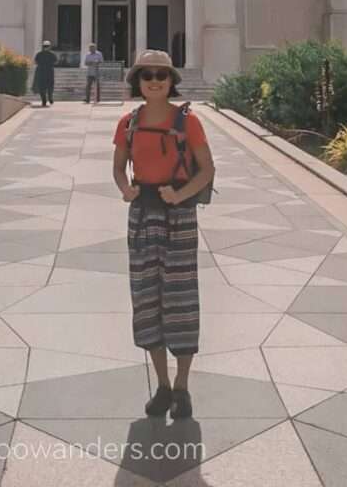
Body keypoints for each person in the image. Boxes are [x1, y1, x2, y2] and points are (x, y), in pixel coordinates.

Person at [112, 49, 215, 420]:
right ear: (136, 81)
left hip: (178, 216)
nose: (154, 80)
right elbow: (119, 168)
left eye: (161, 74)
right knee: (147, 299)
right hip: (143, 215)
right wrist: (125, 189)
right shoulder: (128, 122)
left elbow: (206, 170)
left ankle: (183, 386)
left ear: (172, 80)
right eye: (146, 74)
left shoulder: (188, 121)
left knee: (181, 299)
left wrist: (181, 195)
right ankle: (163, 386)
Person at [32, 40, 56, 107]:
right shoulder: (52, 54)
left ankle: (44, 101)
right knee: (50, 87)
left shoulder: (39, 54)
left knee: (42, 88)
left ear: (43, 46)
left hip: (41, 73)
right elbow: (55, 61)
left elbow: (36, 62)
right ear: (49, 47)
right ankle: (50, 98)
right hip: (49, 73)